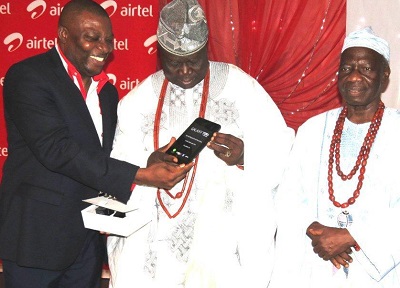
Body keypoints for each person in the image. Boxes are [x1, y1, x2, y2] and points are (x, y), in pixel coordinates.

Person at [0, 0, 192, 287]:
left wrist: (147, 163)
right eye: (92, 38)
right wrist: (140, 175)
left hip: (87, 242)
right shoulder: (28, 76)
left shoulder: (108, 93)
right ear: (64, 34)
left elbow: (103, 156)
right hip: (36, 239)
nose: (103, 48)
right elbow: (57, 150)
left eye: (108, 40)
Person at [106, 0, 294, 287]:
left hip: (223, 247)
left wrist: (245, 156)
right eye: (174, 63)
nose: (184, 71)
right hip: (154, 249)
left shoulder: (243, 89)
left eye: (193, 61)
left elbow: (282, 149)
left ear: (206, 49)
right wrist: (145, 167)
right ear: (160, 54)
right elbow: (116, 168)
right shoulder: (137, 102)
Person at [269, 26, 400, 287]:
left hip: (378, 272)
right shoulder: (312, 129)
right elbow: (289, 195)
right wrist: (315, 231)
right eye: (347, 68)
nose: (354, 77)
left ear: (384, 76)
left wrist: (353, 236)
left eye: (366, 68)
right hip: (313, 264)